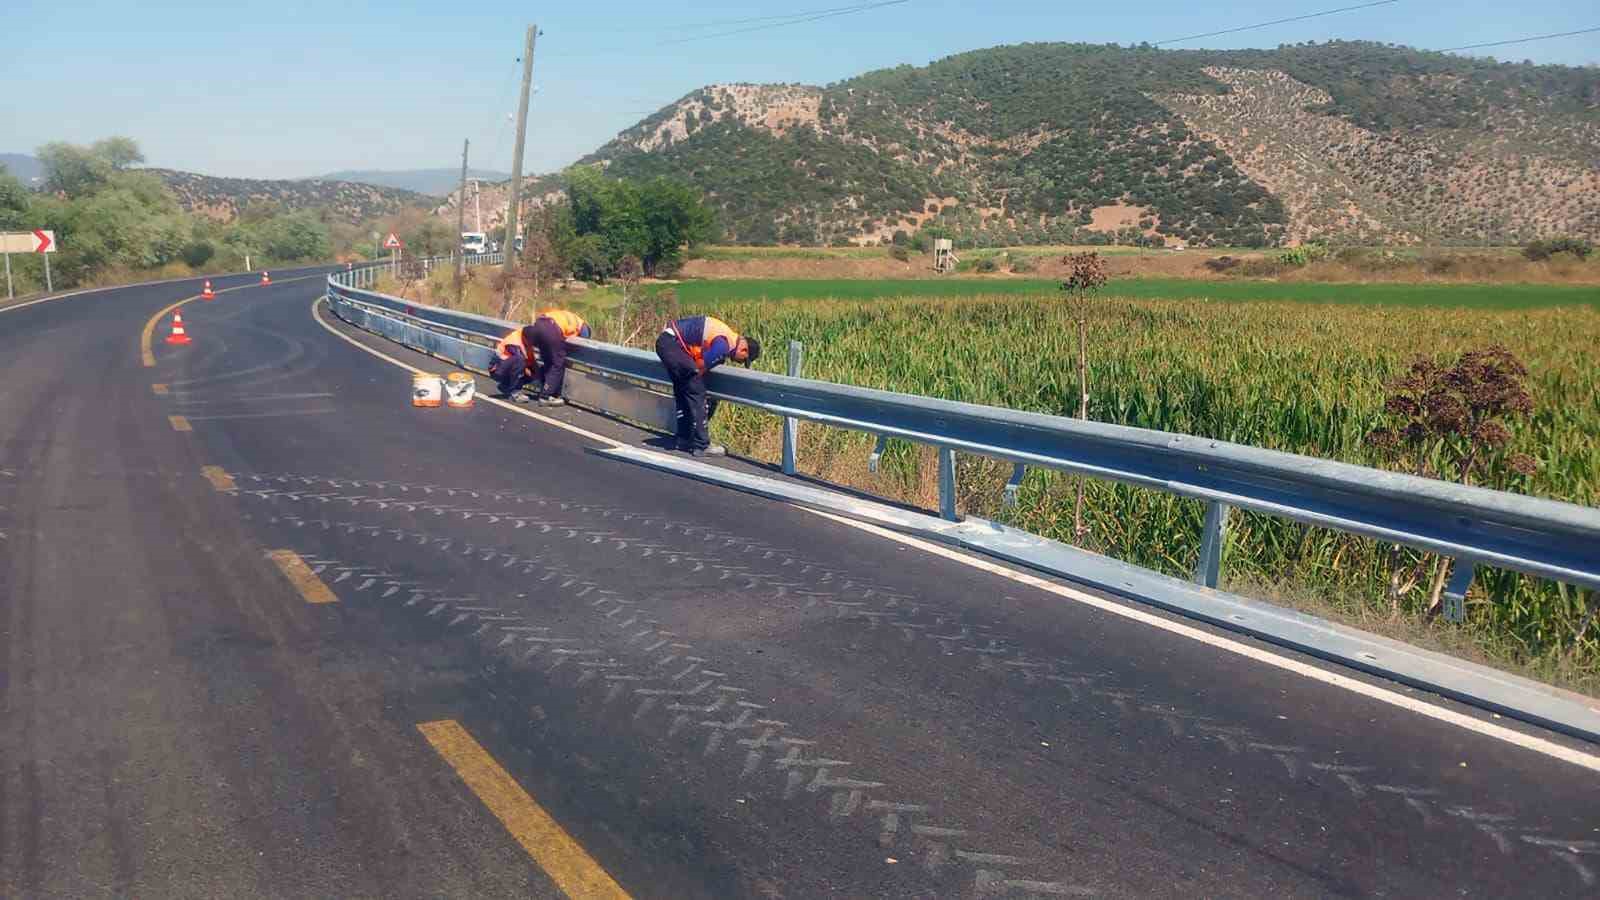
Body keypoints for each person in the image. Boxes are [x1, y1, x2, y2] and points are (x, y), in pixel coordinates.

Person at [655, 315, 760, 457]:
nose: (738, 362)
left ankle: (683, 439)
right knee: (697, 391)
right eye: (742, 361)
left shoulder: (725, 336)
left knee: (682, 390)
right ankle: (702, 445)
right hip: (672, 344)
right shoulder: (725, 343)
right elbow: (700, 366)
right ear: (744, 350)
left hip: (667, 342)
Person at [527, 309, 591, 406]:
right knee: (557, 364)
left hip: (539, 323)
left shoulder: (571, 317)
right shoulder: (584, 328)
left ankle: (542, 386)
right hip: (552, 328)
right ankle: (545, 396)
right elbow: (580, 344)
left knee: (548, 362)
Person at [490, 325, 536, 402]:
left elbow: (531, 362)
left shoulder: (525, 339)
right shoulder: (514, 342)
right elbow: (520, 360)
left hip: (506, 367)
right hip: (497, 370)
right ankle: (515, 393)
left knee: (534, 371)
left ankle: (506, 385)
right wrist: (527, 369)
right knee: (520, 360)